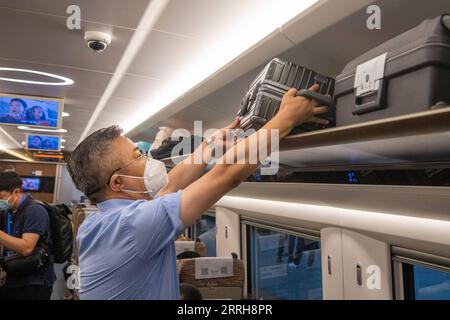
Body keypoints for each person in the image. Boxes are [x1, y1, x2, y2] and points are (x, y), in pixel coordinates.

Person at [67, 85, 328, 300]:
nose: (148, 159)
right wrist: (286, 119)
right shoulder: (131, 226)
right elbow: (227, 173)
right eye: (139, 155)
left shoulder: (100, 224)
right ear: (118, 183)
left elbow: (171, 185)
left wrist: (209, 144)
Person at [0, 172, 56, 300]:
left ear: (16, 192)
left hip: (33, 283)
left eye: (1, 197)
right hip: (13, 276)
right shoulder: (9, 210)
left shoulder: (35, 211)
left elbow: (26, 248)